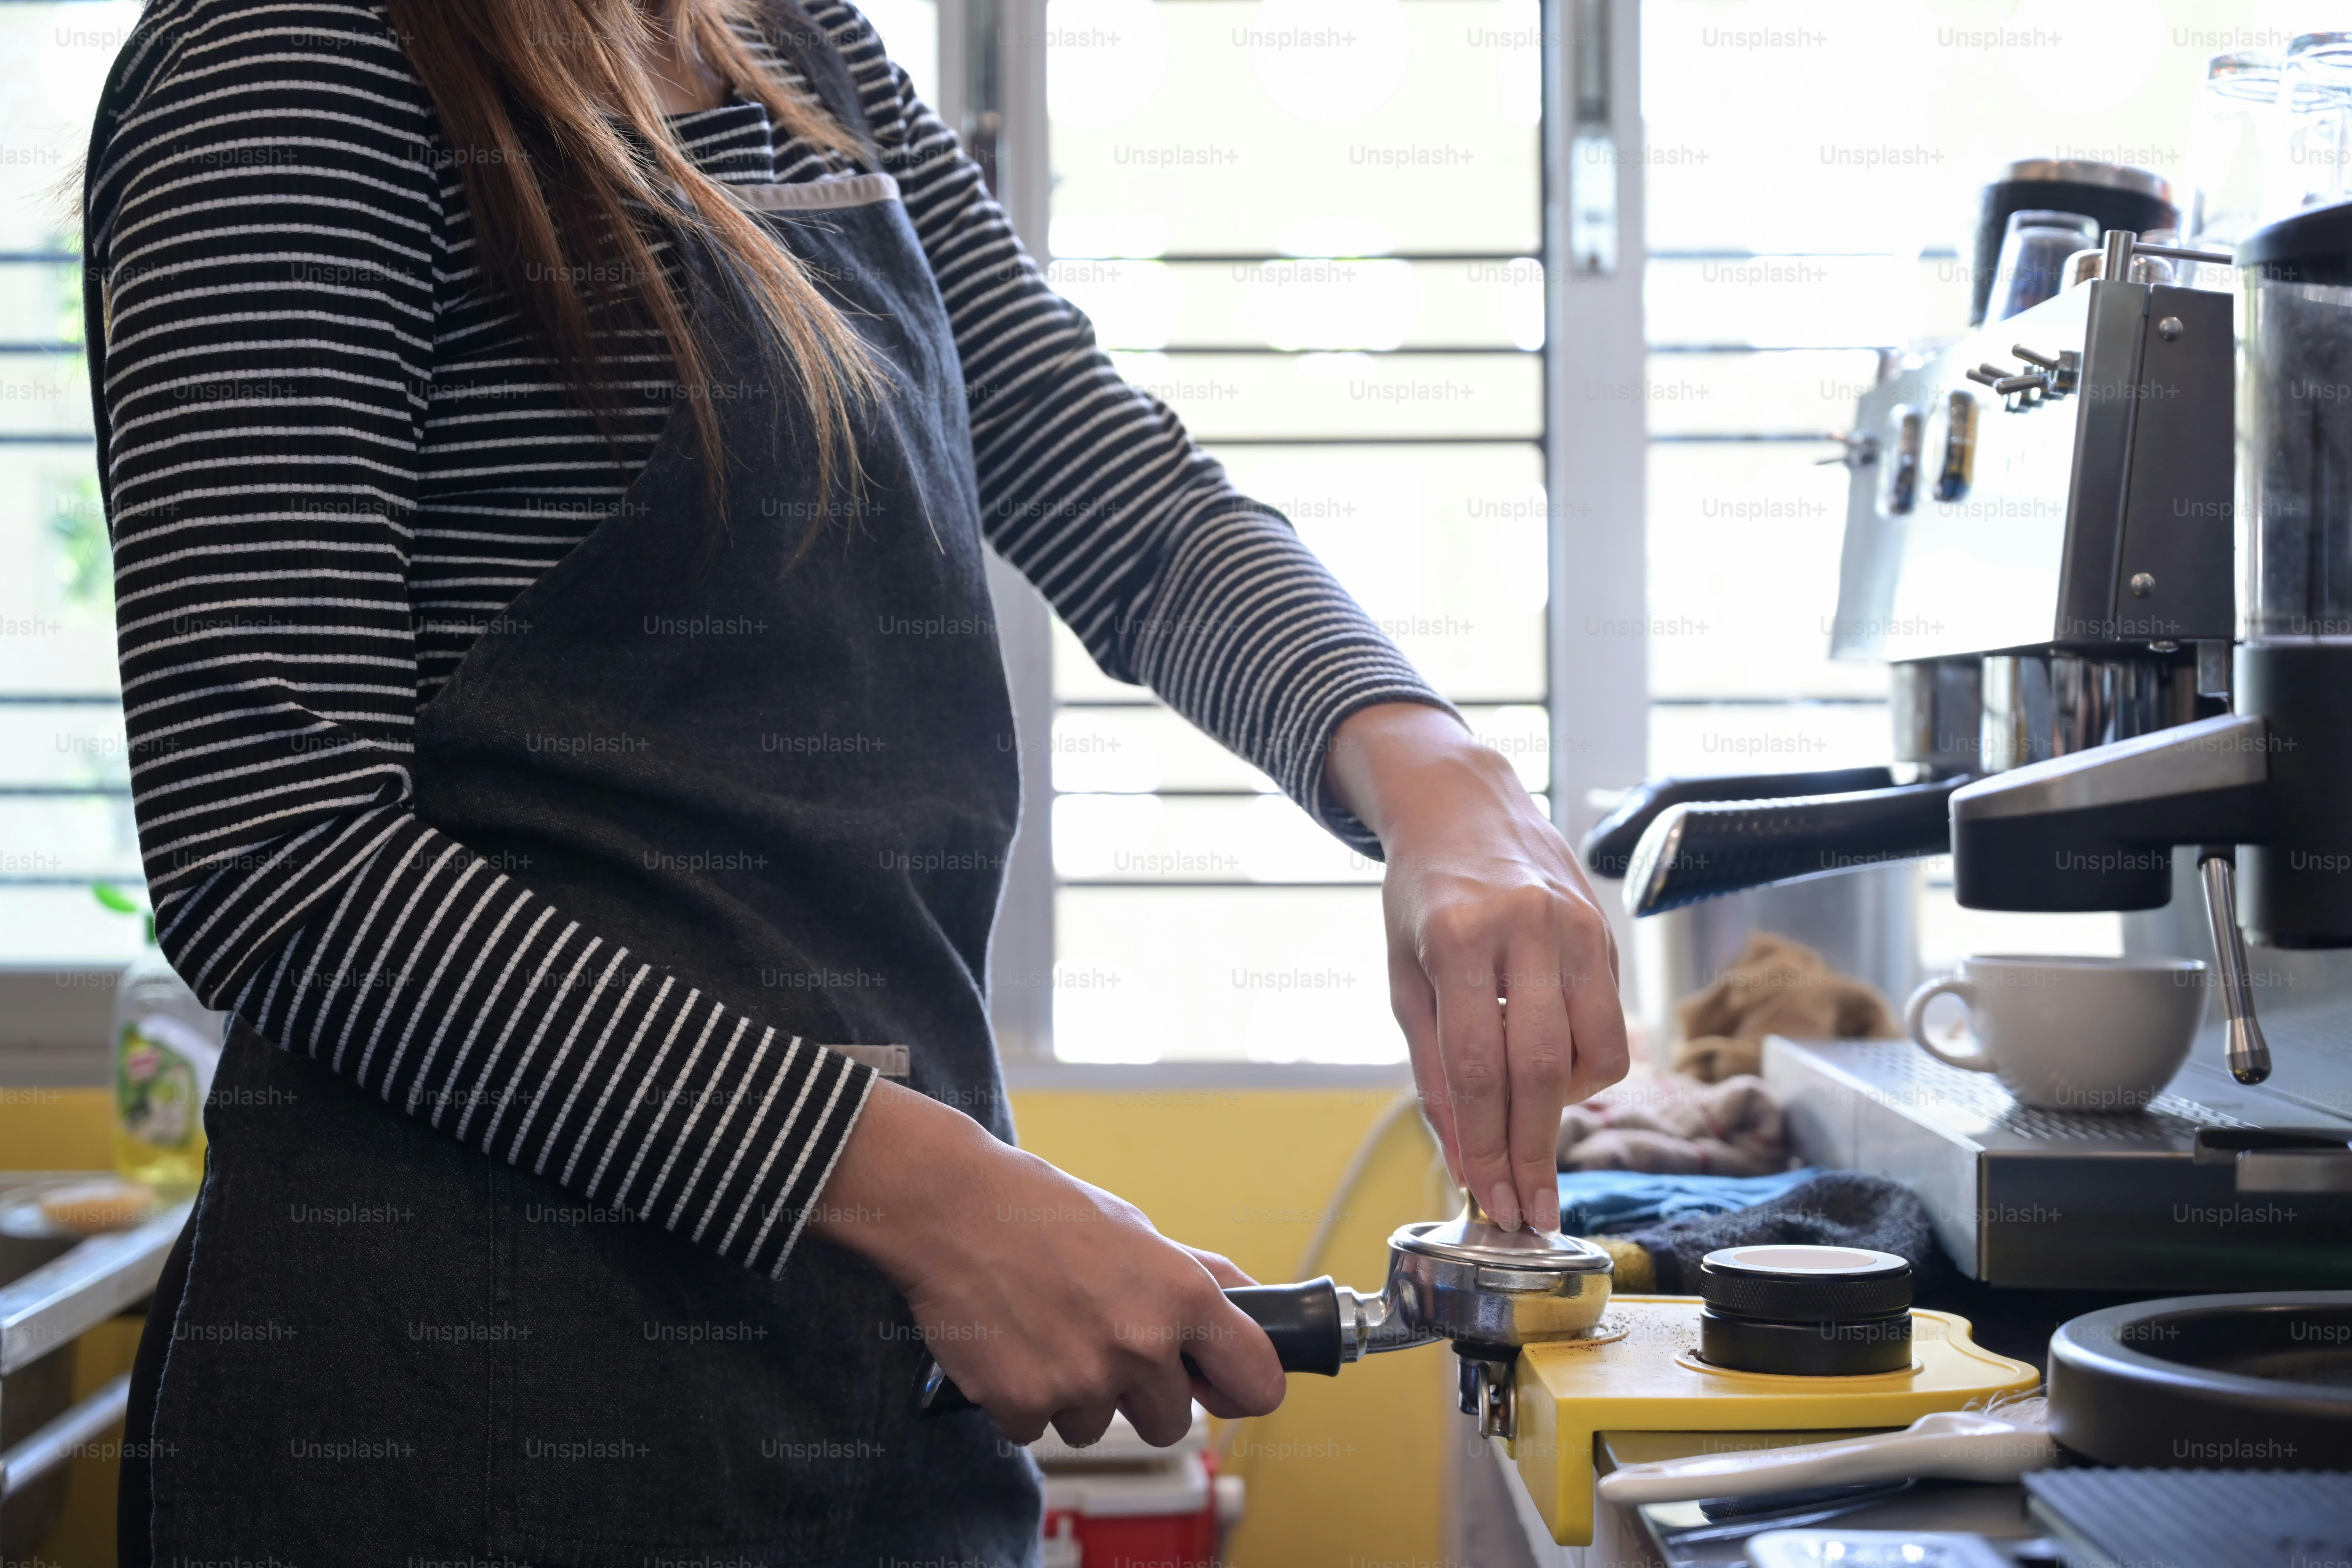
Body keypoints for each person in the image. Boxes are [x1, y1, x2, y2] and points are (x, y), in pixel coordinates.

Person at [86, 0, 1628, 1560]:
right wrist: (942, 1202)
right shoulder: (290, 57)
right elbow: (276, 854)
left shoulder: (784, 36)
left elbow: (1113, 490)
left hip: (870, 1398)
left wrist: (1438, 772)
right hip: (460, 1434)